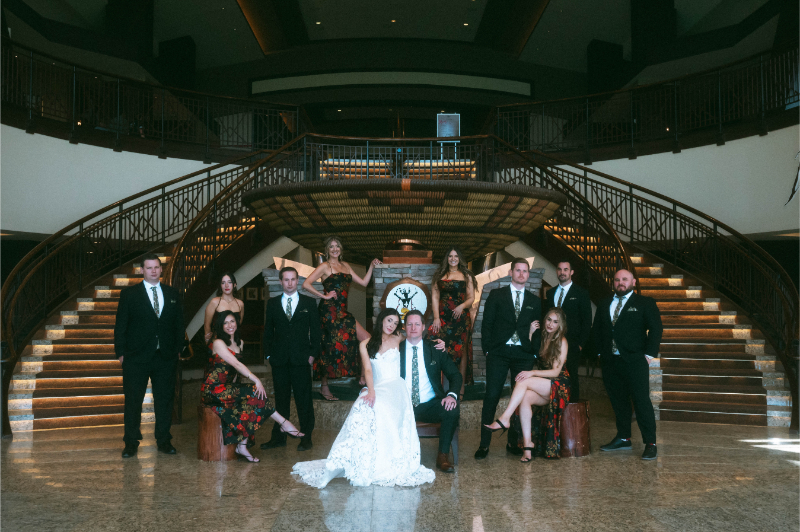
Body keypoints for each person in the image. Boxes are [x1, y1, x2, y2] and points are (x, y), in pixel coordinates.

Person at [292, 309, 435, 488]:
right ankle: (361, 458)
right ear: (381, 320)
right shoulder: (366, 344)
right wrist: (371, 390)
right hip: (377, 386)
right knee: (362, 404)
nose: (391, 325)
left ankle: (385, 460)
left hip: (396, 388)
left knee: (380, 407)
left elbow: (417, 334)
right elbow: (368, 369)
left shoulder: (399, 338)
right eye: (389, 320)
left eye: (395, 323)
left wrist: (439, 343)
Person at [202, 311, 303, 462]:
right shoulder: (218, 343)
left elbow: (235, 372)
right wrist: (257, 380)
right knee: (255, 390)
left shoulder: (240, 343)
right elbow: (236, 363)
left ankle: (242, 445)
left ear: (237, 323)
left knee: (253, 400)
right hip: (213, 389)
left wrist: (241, 393)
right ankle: (284, 422)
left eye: (232, 321)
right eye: (225, 323)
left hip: (228, 388)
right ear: (220, 326)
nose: (230, 325)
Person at [114, 253, 184, 458]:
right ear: (142, 270)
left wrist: (178, 348)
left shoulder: (172, 293)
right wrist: (120, 353)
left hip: (165, 357)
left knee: (164, 401)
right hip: (136, 357)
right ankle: (130, 442)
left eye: (157, 267)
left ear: (161, 269)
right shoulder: (129, 294)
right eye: (149, 268)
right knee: (133, 401)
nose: (153, 271)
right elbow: (121, 326)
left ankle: (163, 440)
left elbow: (179, 324)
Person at [591, 269, 662, 460]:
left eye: (624, 279)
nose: (620, 282)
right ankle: (623, 437)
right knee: (618, 401)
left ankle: (651, 443)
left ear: (633, 282)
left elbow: (656, 329)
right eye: (617, 280)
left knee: (641, 402)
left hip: (635, 361)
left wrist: (648, 355)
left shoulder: (644, 303)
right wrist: (599, 352)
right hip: (610, 361)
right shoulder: (605, 302)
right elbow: (597, 328)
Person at [475, 258, 542, 460]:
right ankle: (484, 445)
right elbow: (486, 324)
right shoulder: (496, 295)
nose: (521, 274)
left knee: (518, 398)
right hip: (499, 353)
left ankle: (513, 442)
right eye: (518, 270)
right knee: (492, 396)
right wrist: (488, 349)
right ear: (511, 272)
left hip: (523, 355)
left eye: (525, 271)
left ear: (528, 274)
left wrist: (534, 352)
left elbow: (538, 330)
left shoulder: (534, 300)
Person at [485, 308, 571, 461]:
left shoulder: (562, 341)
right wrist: (531, 333)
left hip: (559, 385)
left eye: (555, 322)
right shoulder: (543, 337)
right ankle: (527, 446)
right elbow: (529, 351)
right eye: (549, 320)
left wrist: (532, 373)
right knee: (525, 398)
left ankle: (505, 418)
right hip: (545, 385)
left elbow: (556, 372)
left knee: (524, 380)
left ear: (560, 325)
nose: (551, 324)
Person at [303, 236, 381, 400]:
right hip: (328, 313)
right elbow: (306, 284)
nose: (334, 249)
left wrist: (372, 266)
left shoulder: (346, 266)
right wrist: (323, 296)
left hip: (343, 312)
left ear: (341, 249)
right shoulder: (325, 266)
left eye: (337, 246)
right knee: (327, 348)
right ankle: (324, 388)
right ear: (327, 250)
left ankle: (362, 378)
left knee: (367, 338)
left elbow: (364, 283)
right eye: (331, 247)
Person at [261, 266, 321, 452]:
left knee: (304, 400)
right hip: (279, 361)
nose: (289, 283)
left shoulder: (309, 303)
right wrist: (269, 355)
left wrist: (312, 356)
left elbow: (317, 333)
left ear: (297, 281)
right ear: (281, 282)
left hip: (301, 360)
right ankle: (279, 437)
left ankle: (306, 437)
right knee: (281, 401)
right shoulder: (272, 304)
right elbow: (267, 332)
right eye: (286, 279)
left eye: (293, 279)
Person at [402, 310, 462, 473]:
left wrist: (451, 395)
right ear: (404, 327)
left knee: (451, 408)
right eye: (409, 324)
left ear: (423, 327)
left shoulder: (435, 348)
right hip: (402, 405)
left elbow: (455, 375)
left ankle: (442, 455)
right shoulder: (396, 350)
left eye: (417, 324)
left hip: (429, 404)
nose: (413, 327)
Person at [428, 247, 477, 400]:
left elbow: (471, 298)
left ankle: (459, 390)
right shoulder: (440, 275)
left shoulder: (467, 275)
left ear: (459, 258)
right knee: (442, 352)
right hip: (443, 319)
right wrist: (436, 318)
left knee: (461, 354)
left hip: (461, 320)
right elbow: (435, 297)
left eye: (456, 256)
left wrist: (461, 306)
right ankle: (443, 390)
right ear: (447, 258)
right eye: (450, 256)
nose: (453, 259)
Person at [545, 260, 592, 401]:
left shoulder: (581, 293)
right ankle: (555, 411)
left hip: (572, 345)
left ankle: (572, 414)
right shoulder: (551, 292)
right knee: (552, 376)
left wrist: (580, 344)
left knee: (572, 376)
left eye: (566, 269)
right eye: (559, 269)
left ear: (571, 272)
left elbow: (587, 321)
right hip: (552, 343)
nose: (562, 272)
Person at [203, 272, 244, 345]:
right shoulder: (215, 302)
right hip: (217, 342)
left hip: (234, 342)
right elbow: (207, 325)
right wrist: (208, 342)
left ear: (234, 285)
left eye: (229, 282)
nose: (226, 285)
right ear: (220, 286)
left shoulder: (240, 304)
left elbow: (238, 324)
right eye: (223, 283)